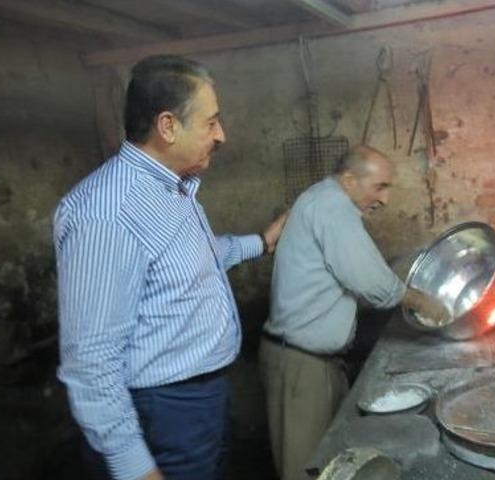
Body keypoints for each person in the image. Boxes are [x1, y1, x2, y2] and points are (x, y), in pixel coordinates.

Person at [53, 55, 285, 480]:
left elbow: (193, 261)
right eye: (210, 122)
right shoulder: (107, 212)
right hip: (161, 412)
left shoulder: (170, 190)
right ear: (167, 126)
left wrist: (262, 243)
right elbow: (90, 361)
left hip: (197, 401)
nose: (222, 135)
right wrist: (134, 467)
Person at [259, 145, 449, 480]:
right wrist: (420, 301)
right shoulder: (333, 207)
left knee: (337, 464)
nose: (385, 199)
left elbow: (352, 278)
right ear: (349, 180)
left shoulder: (323, 199)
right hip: (300, 366)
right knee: (306, 470)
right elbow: (371, 281)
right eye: (380, 187)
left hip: (316, 361)